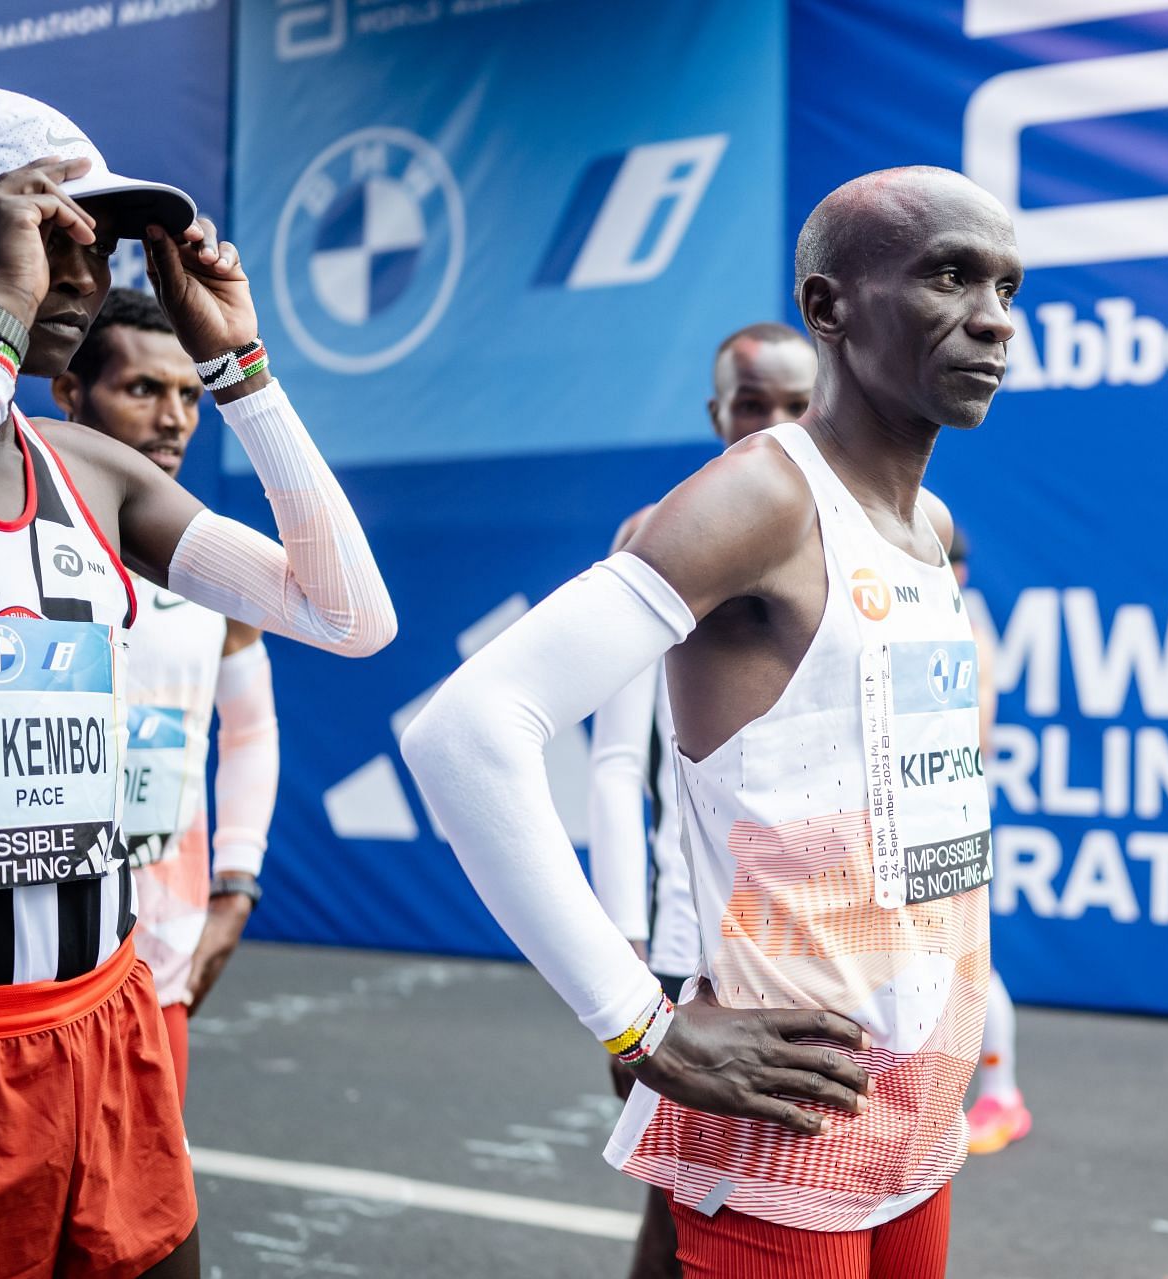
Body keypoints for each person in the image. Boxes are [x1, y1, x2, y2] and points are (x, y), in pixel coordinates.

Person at [404, 165, 1013, 1278]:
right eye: (949, 276)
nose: (991, 318)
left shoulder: (928, 519)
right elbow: (467, 729)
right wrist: (636, 1016)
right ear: (828, 308)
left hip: (921, 1109)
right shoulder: (761, 499)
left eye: (1009, 288)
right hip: (791, 1120)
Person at [0, 89, 394, 1279]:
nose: (84, 267)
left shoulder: (89, 470)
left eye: (94, 241)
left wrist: (243, 366)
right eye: (48, 227)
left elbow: (350, 617)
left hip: (103, 1031)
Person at [587, 321, 816, 1279]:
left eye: (795, 405)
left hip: (828, 945)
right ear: (715, 412)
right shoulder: (662, 533)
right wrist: (619, 963)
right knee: (693, 1199)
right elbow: (612, 762)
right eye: (751, 403)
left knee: (760, 1204)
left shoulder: (874, 535)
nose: (772, 425)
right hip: (698, 953)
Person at [50, 288, 280, 1103]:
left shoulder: (211, 566)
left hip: (162, 958)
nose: (175, 416)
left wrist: (235, 889)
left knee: (147, 1225)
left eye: (188, 393)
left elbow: (249, 731)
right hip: (28, 972)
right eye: (143, 389)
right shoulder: (6, 548)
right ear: (71, 394)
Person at [950, 527, 1030, 1156]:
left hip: (952, 817)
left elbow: (973, 736)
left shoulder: (963, 628)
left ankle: (1002, 1094)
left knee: (971, 959)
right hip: (918, 819)